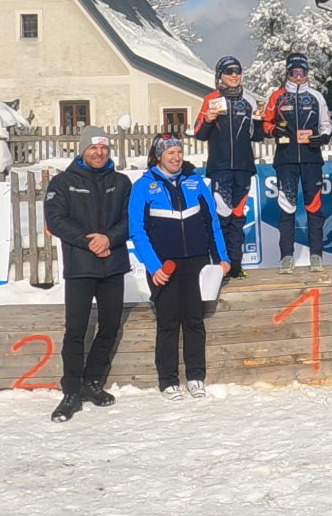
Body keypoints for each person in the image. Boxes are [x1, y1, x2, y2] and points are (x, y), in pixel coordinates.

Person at [129, 134, 230, 400]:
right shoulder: (143, 186)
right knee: (168, 322)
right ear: (158, 156)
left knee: (194, 320)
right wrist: (154, 267)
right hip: (165, 266)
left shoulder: (195, 181)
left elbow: (212, 222)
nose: (176, 157)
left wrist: (221, 256)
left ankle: (196, 377)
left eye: (179, 152)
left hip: (197, 261)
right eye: (170, 153)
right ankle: (168, 380)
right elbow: (137, 231)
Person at [43, 127, 131, 422]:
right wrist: (87, 241)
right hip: (81, 266)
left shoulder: (120, 182)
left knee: (110, 325)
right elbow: (55, 220)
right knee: (76, 330)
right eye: (93, 148)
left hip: (112, 265)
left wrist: (109, 239)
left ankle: (91, 381)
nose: (99, 153)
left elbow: (129, 219)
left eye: (104, 148)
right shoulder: (63, 182)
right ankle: (71, 390)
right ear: (82, 150)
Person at [194, 56, 265, 281]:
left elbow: (258, 137)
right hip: (220, 167)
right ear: (220, 76)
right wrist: (207, 120)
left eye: (238, 71)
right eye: (229, 71)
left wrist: (259, 121)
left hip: (244, 167)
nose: (234, 75)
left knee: (238, 218)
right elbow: (199, 133)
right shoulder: (211, 100)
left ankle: (235, 264)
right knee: (221, 216)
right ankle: (220, 265)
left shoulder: (250, 101)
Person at [263, 53, 332, 274]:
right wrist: (273, 130)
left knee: (314, 207)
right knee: (287, 207)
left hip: (311, 158)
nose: (299, 77)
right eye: (294, 72)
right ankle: (286, 256)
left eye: (302, 72)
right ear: (288, 73)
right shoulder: (277, 97)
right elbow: (265, 123)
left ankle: (316, 254)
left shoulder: (316, 96)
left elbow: (326, 123)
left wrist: (323, 138)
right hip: (286, 159)